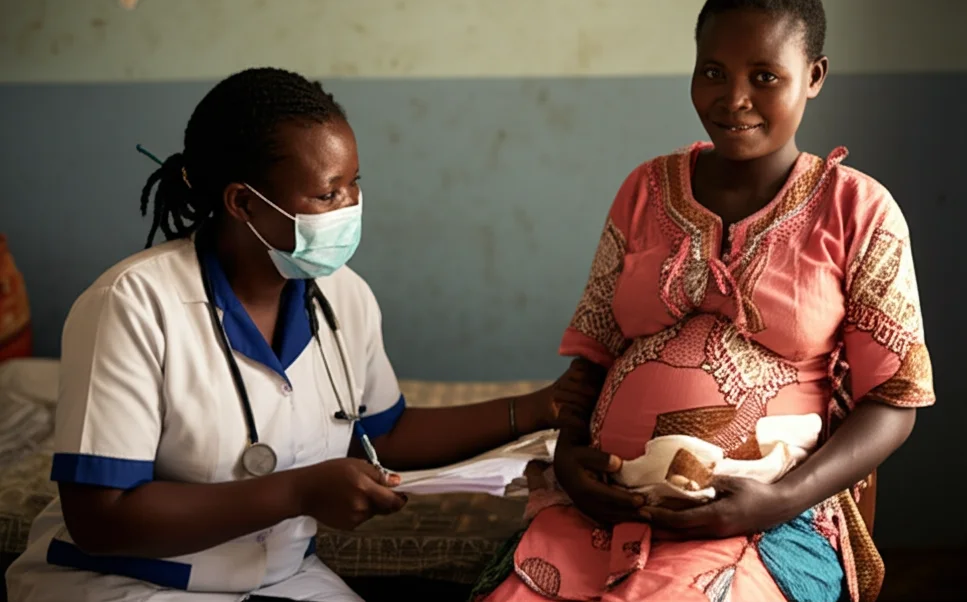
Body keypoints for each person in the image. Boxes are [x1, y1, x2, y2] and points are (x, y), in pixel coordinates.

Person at [4, 68, 596, 602]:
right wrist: (299, 493)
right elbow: (102, 517)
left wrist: (539, 407)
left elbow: (383, 431)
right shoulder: (132, 304)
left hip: (284, 577)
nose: (351, 206)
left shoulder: (343, 295)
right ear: (244, 203)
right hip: (130, 583)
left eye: (354, 184)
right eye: (327, 193)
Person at [470, 0, 936, 602]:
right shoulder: (645, 189)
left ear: (815, 77)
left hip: (763, 518)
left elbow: (896, 400)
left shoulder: (858, 210)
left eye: (764, 77)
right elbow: (593, 356)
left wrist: (775, 502)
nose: (733, 98)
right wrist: (572, 461)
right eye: (713, 72)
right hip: (601, 511)